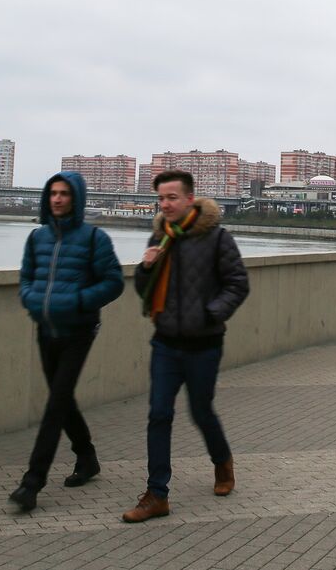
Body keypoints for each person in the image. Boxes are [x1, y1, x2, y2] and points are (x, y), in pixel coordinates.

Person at [123, 170, 250, 523]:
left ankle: (222, 462)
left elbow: (237, 284)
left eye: (172, 198)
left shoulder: (217, 238)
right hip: (165, 342)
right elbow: (145, 290)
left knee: (201, 411)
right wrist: (145, 269)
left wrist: (212, 313)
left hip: (204, 343)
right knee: (159, 414)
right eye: (161, 199)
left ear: (190, 199)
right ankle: (156, 495)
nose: (165, 204)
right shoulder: (161, 236)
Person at [9, 171, 124, 513]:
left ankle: (32, 483)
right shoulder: (36, 238)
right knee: (63, 400)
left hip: (79, 331)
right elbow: (26, 278)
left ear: (76, 199)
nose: (57, 199)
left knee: (55, 406)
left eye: (64, 194)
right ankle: (87, 458)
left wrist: (77, 301)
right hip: (46, 329)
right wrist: (30, 299)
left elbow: (114, 282)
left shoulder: (94, 239)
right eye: (53, 193)